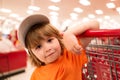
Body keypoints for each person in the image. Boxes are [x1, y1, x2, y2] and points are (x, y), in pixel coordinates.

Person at [18, 14, 99, 80]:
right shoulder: (36, 76)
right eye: (38, 47)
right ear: (32, 54)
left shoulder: (71, 54)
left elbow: (95, 24)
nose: (48, 48)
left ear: (58, 38)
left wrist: (69, 33)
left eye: (49, 40)